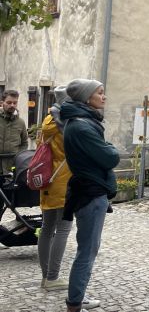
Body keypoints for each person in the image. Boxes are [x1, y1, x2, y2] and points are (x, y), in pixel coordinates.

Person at [61, 79, 119, 312]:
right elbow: (110, 157)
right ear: (86, 98)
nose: (104, 97)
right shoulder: (82, 127)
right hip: (90, 193)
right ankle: (74, 303)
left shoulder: (82, 123)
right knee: (87, 250)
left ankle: (78, 296)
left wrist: (107, 149)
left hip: (89, 190)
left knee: (87, 248)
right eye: (100, 93)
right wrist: (111, 148)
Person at [38, 86, 73, 291]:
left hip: (46, 179)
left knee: (47, 228)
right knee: (63, 228)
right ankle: (53, 277)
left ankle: (45, 277)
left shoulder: (47, 120)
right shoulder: (65, 122)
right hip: (63, 179)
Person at [0, 90, 28, 175]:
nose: (12, 105)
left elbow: (24, 143)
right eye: (9, 102)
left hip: (12, 167)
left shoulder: (21, 122)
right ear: (2, 103)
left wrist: (18, 158)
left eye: (15, 103)